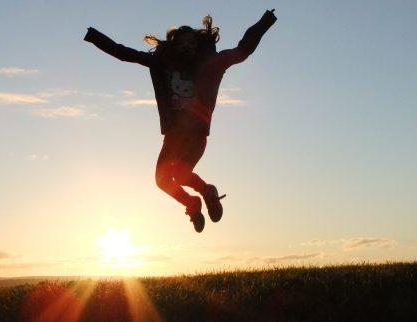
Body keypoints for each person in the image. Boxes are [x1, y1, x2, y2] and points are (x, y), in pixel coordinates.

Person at [84, 9, 277, 233]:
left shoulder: (211, 65)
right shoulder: (161, 64)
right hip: (173, 136)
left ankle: (207, 192)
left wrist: (265, 22)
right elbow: (124, 53)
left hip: (196, 134)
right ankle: (193, 202)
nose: (187, 46)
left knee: (182, 174)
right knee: (163, 180)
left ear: (198, 46)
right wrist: (94, 36)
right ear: (174, 46)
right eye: (182, 43)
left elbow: (242, 51)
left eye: (192, 43)